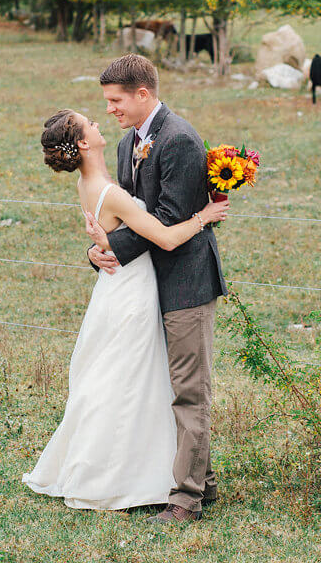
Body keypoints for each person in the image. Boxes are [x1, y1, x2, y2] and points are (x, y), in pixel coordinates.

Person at [22, 107, 228, 511]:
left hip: (118, 289)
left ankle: (166, 472)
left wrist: (102, 246)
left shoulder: (90, 184)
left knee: (119, 379)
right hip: (131, 293)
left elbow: (115, 235)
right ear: (82, 142)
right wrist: (204, 216)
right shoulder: (111, 190)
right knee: (134, 383)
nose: (100, 121)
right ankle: (124, 474)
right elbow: (166, 238)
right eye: (91, 124)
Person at [88, 54, 228, 524]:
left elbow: (168, 219)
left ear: (142, 94)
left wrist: (112, 246)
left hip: (186, 283)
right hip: (148, 284)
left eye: (115, 100)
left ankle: (186, 499)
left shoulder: (181, 140)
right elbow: (133, 212)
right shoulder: (133, 139)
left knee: (190, 392)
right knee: (166, 386)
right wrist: (99, 251)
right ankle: (203, 483)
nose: (109, 109)